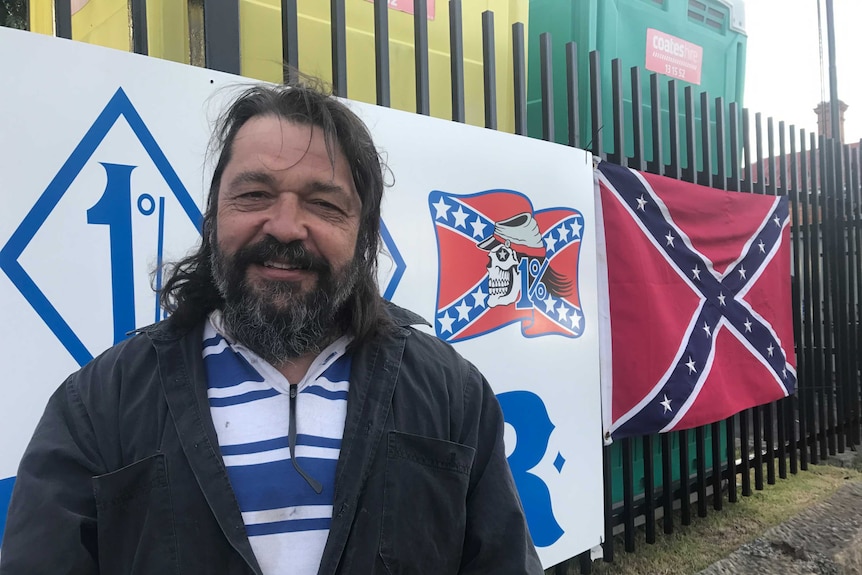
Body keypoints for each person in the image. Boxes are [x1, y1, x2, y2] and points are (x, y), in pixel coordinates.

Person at [0, 79, 543, 574]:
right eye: (254, 195)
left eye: (324, 204)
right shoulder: (99, 405)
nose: (284, 226)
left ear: (365, 234)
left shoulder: (452, 394)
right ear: (213, 216)